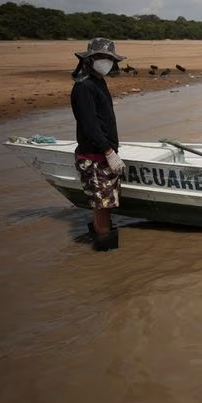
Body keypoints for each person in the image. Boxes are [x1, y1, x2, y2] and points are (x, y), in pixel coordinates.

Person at [70, 37, 127, 252]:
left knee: (103, 205)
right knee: (103, 206)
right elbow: (90, 125)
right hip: (95, 157)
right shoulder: (84, 87)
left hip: (102, 154)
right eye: (102, 57)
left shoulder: (98, 82)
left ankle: (100, 248)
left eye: (109, 58)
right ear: (90, 59)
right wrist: (109, 152)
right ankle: (107, 254)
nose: (107, 62)